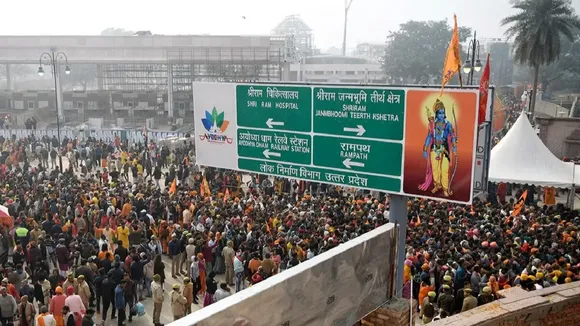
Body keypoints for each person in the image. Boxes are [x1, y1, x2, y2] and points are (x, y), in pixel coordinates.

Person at [419, 99, 457, 197]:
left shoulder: (448, 124)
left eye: (443, 112)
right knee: (435, 169)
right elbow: (429, 136)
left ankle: (445, 188)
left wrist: (454, 146)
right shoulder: (431, 125)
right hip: (434, 149)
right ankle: (437, 185)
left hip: (445, 150)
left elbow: (453, 135)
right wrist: (425, 148)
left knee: (444, 169)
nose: (441, 115)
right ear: (436, 114)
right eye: (439, 113)